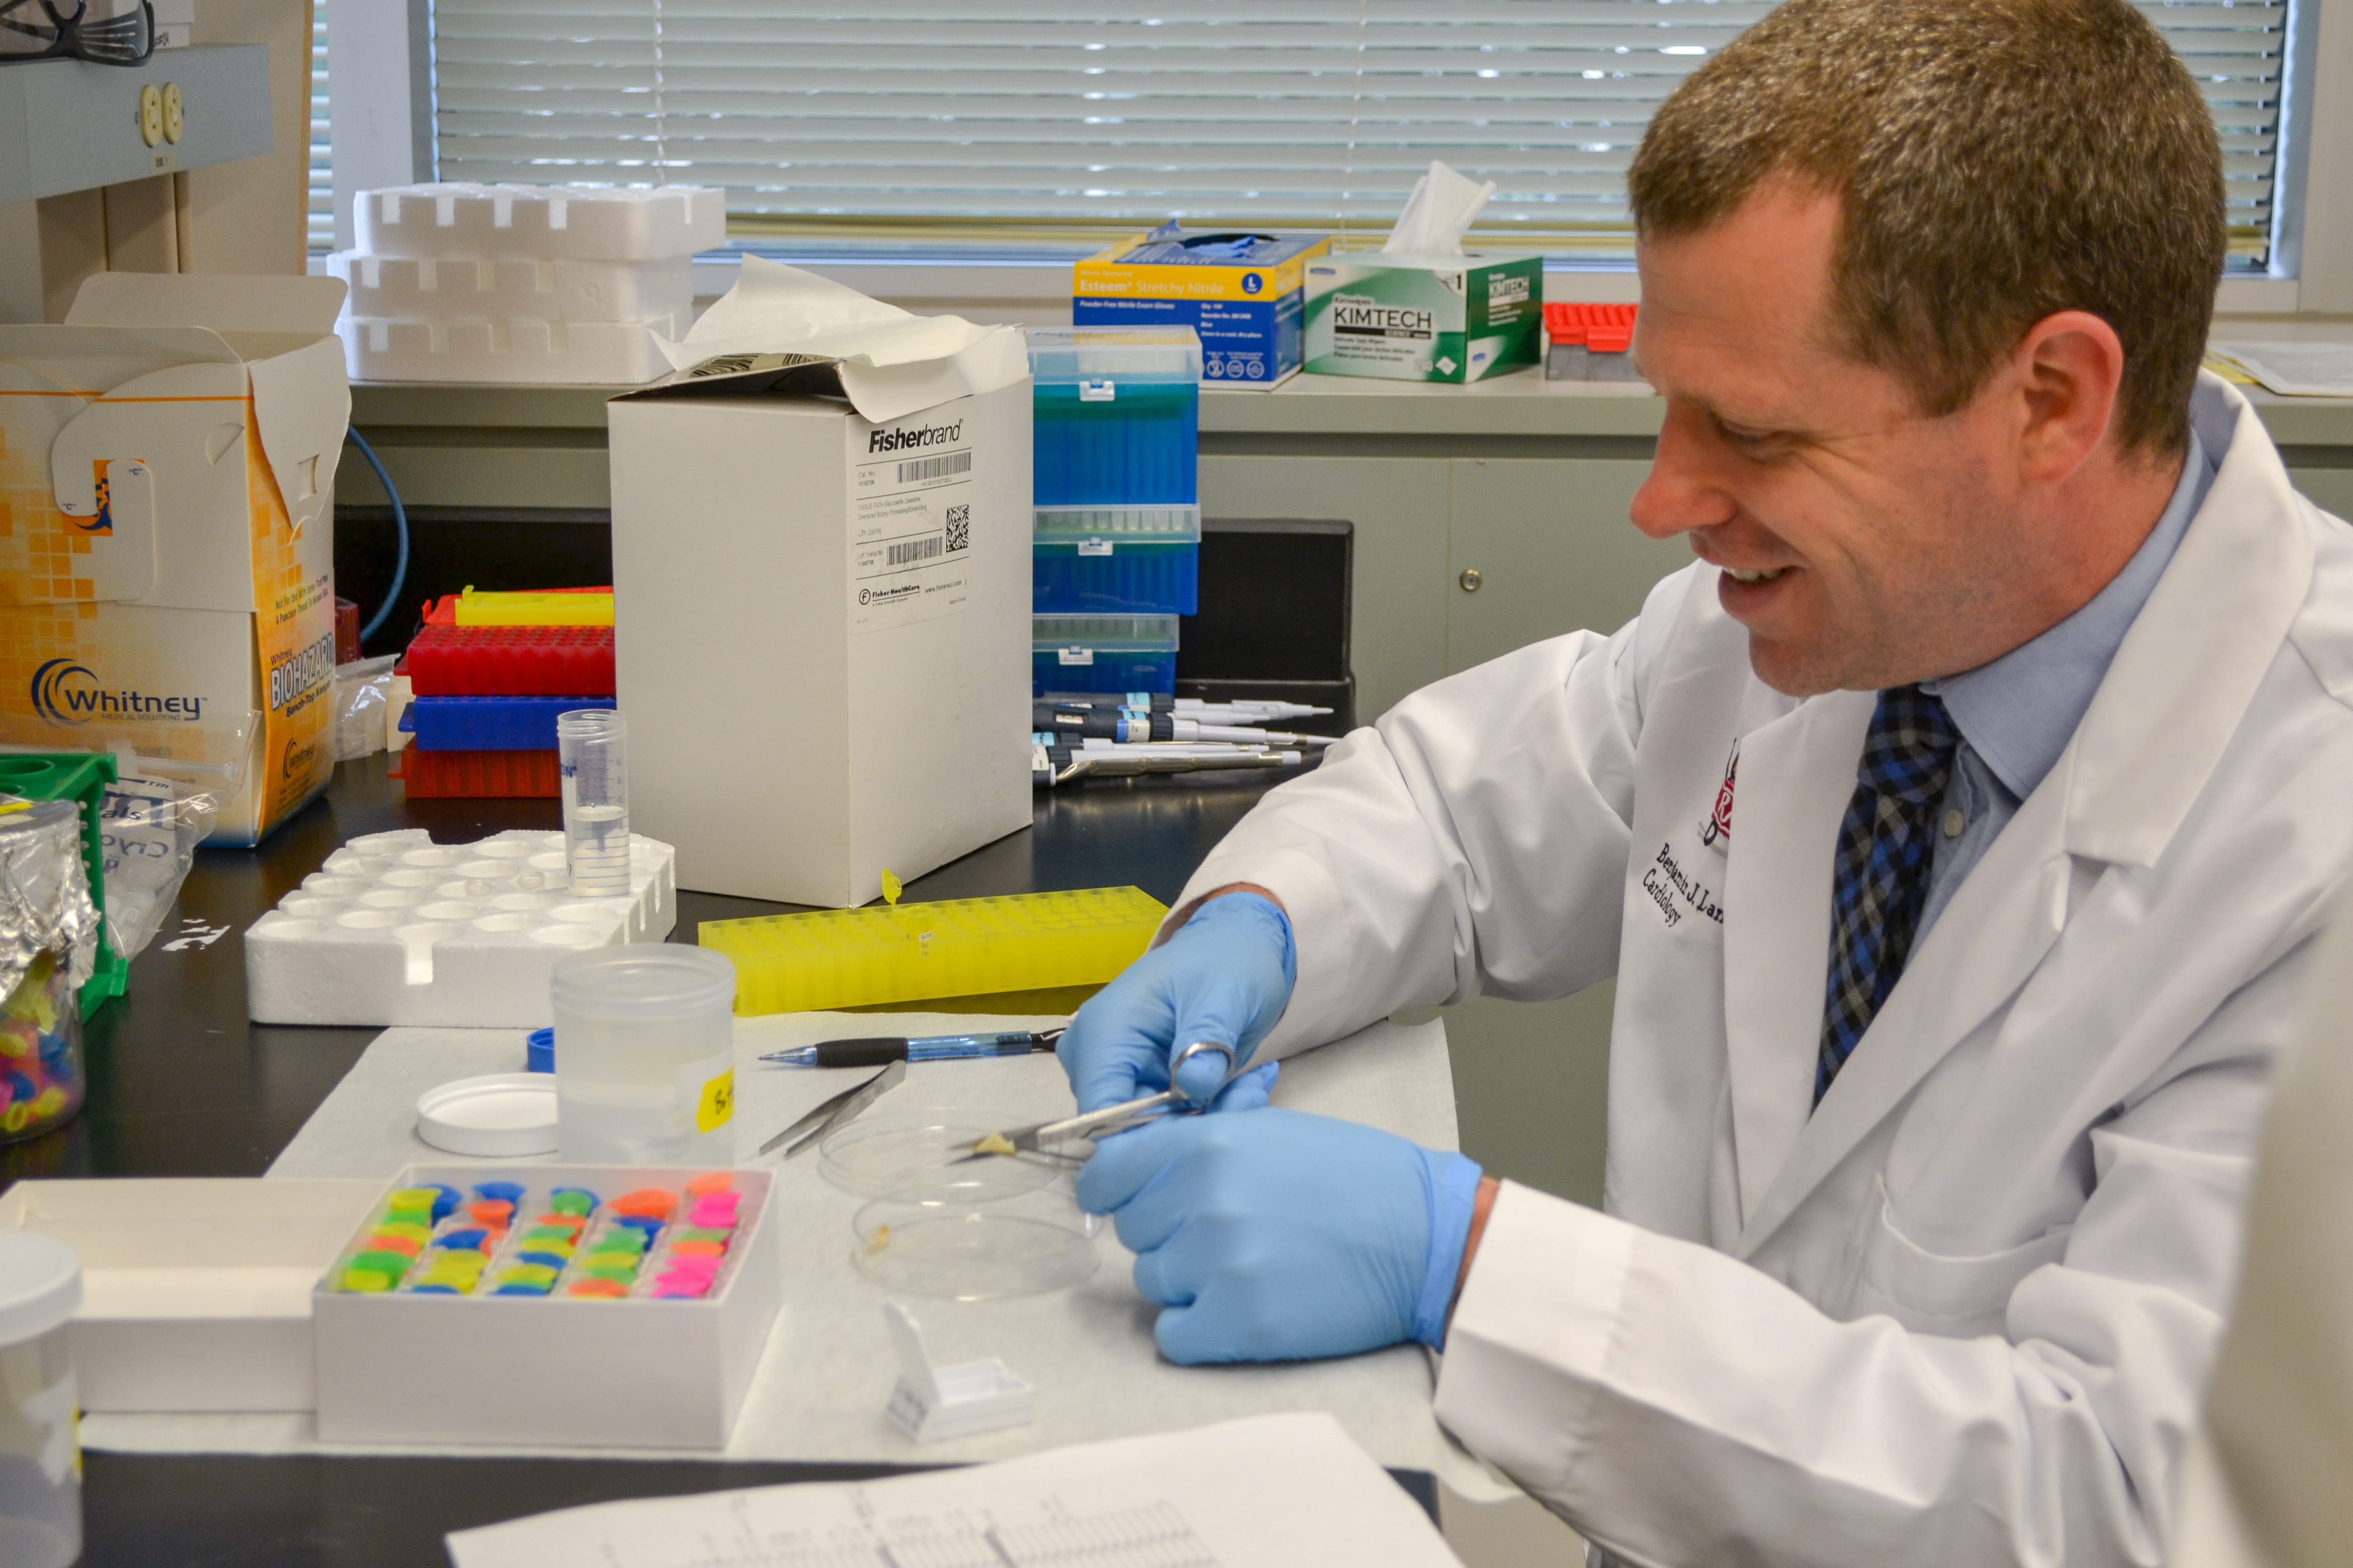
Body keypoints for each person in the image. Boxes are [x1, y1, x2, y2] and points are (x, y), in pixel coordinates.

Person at [1055, 0, 2353, 1562]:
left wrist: (1467, 1270)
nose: (1666, 498)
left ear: (2051, 399)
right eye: (1668, 404)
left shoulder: (2309, 838)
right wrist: (1256, 922)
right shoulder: (1815, 623)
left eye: (1748, 430)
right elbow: (1461, 809)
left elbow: (2125, 1500)